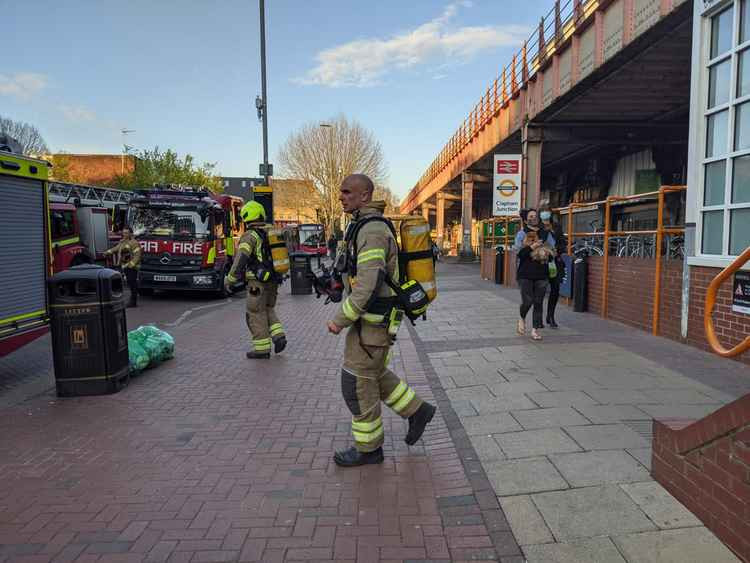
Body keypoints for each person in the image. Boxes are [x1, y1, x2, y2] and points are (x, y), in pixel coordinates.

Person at [327, 174, 436, 467]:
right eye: (341, 192)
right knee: (373, 374)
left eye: (347, 192)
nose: (342, 196)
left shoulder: (372, 230)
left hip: (372, 322)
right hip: (371, 322)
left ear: (365, 196)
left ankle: (369, 450)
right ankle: (417, 411)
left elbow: (368, 282)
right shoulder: (363, 225)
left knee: (356, 384)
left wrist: (340, 320)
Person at [225, 201, 286, 359]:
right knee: (268, 309)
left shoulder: (250, 236)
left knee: (255, 313)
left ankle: (262, 349)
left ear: (247, 217)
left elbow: (240, 259)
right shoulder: (272, 231)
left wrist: (230, 279)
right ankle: (279, 336)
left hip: (257, 283)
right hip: (273, 280)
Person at [513, 209, 555, 340]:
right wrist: (532, 246)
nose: (534, 218)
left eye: (535, 216)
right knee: (528, 301)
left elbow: (552, 250)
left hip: (541, 273)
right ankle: (522, 317)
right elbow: (520, 254)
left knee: (538, 302)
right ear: (525, 220)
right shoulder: (521, 234)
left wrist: (548, 252)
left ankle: (535, 329)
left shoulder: (546, 233)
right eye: (530, 216)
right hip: (525, 273)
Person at [540, 208, 567, 328]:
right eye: (543, 215)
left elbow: (562, 242)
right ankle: (538, 318)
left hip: (555, 262)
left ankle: (550, 316)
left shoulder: (556, 227)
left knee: (555, 289)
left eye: (547, 215)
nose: (545, 217)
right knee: (540, 291)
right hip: (542, 262)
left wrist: (558, 251)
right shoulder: (539, 228)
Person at [105, 227, 142, 308]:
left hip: (132, 267)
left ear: (130, 234)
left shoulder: (134, 243)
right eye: (123, 233)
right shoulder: (123, 242)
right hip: (125, 266)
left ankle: (133, 302)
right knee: (129, 283)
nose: (124, 234)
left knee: (132, 284)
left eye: (126, 233)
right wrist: (107, 252)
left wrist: (131, 264)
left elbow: (137, 255)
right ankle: (132, 300)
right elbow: (116, 248)